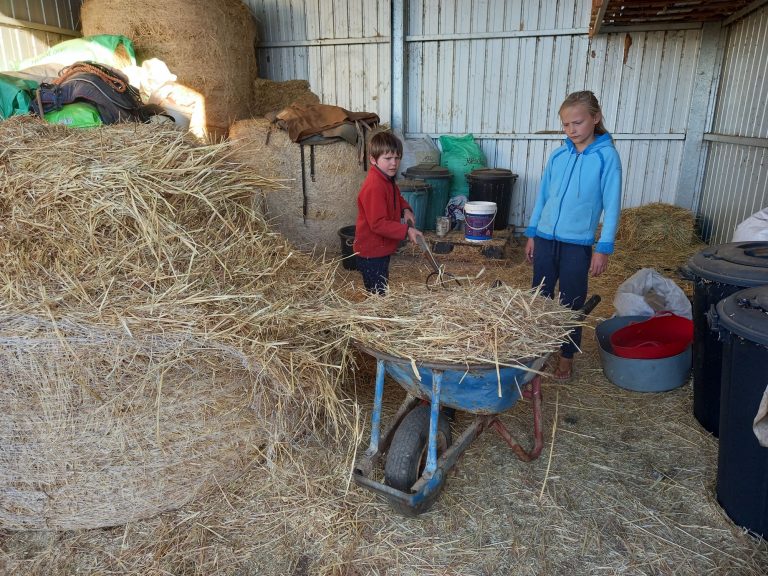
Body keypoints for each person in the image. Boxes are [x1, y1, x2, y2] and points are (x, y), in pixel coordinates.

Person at [524, 90, 622, 380]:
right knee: (538, 298)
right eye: (566, 125)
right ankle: (534, 352)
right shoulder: (558, 155)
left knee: (571, 302)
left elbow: (613, 206)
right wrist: (532, 233)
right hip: (545, 238)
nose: (571, 130)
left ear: (596, 118)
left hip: (577, 245)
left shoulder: (607, 157)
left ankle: (566, 356)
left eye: (577, 123)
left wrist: (603, 247)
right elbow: (543, 197)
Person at [354, 131, 424, 294]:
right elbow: (377, 224)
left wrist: (405, 209)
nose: (394, 163)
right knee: (377, 295)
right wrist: (406, 230)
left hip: (381, 249)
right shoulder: (375, 186)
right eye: (388, 159)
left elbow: (396, 197)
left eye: (397, 158)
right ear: (373, 159)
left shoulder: (387, 179)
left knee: (381, 288)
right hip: (371, 252)